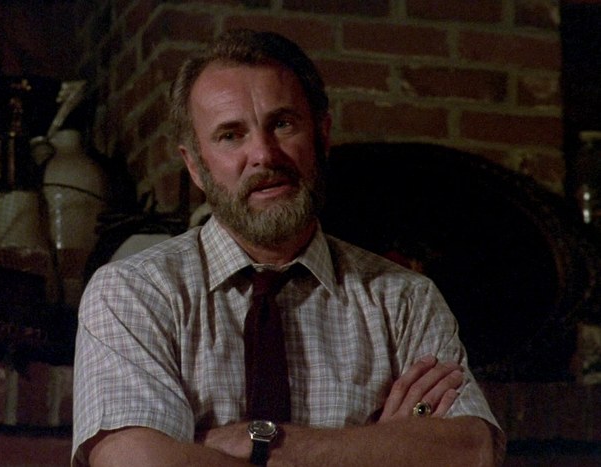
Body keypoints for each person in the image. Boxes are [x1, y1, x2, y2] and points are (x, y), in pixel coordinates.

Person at [72, 29, 505, 466]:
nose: (264, 154)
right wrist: (378, 448)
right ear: (195, 166)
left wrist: (256, 442)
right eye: (230, 135)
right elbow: (133, 461)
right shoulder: (134, 293)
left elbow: (471, 451)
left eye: (282, 124)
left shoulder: (404, 300)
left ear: (322, 135)